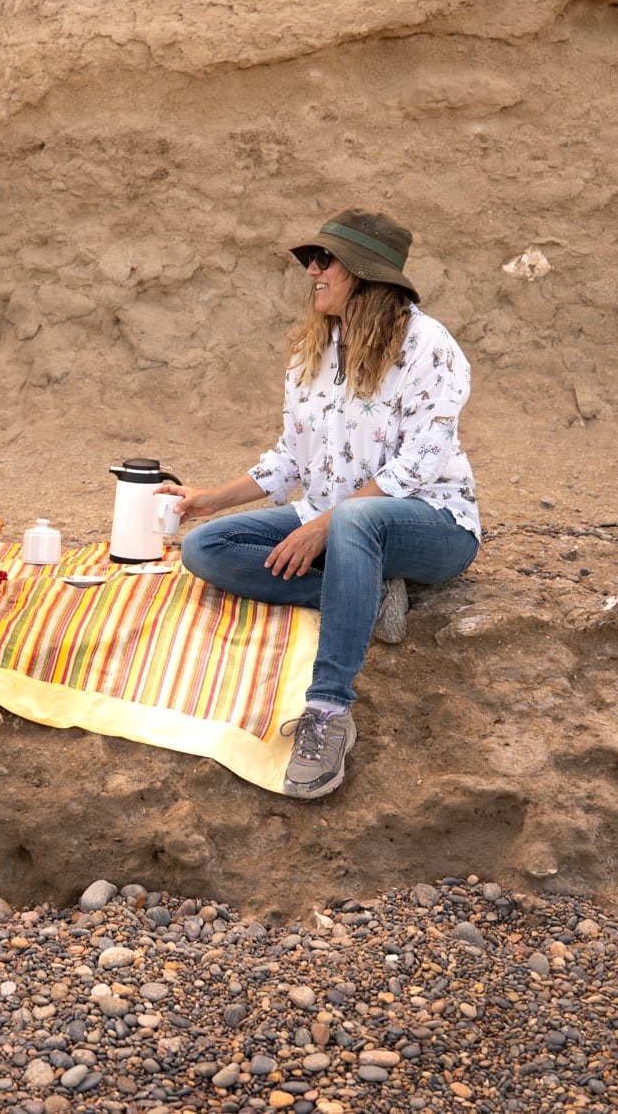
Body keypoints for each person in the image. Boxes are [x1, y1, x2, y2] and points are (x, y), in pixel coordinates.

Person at [161, 209, 480, 800]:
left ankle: (329, 710)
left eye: (324, 259)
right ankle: (371, 595)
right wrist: (206, 501)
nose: (312, 270)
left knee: (356, 519)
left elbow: (415, 468)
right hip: (337, 518)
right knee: (207, 549)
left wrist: (324, 528)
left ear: (363, 273)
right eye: (311, 259)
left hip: (432, 524)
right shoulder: (314, 352)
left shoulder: (429, 346)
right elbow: (291, 458)